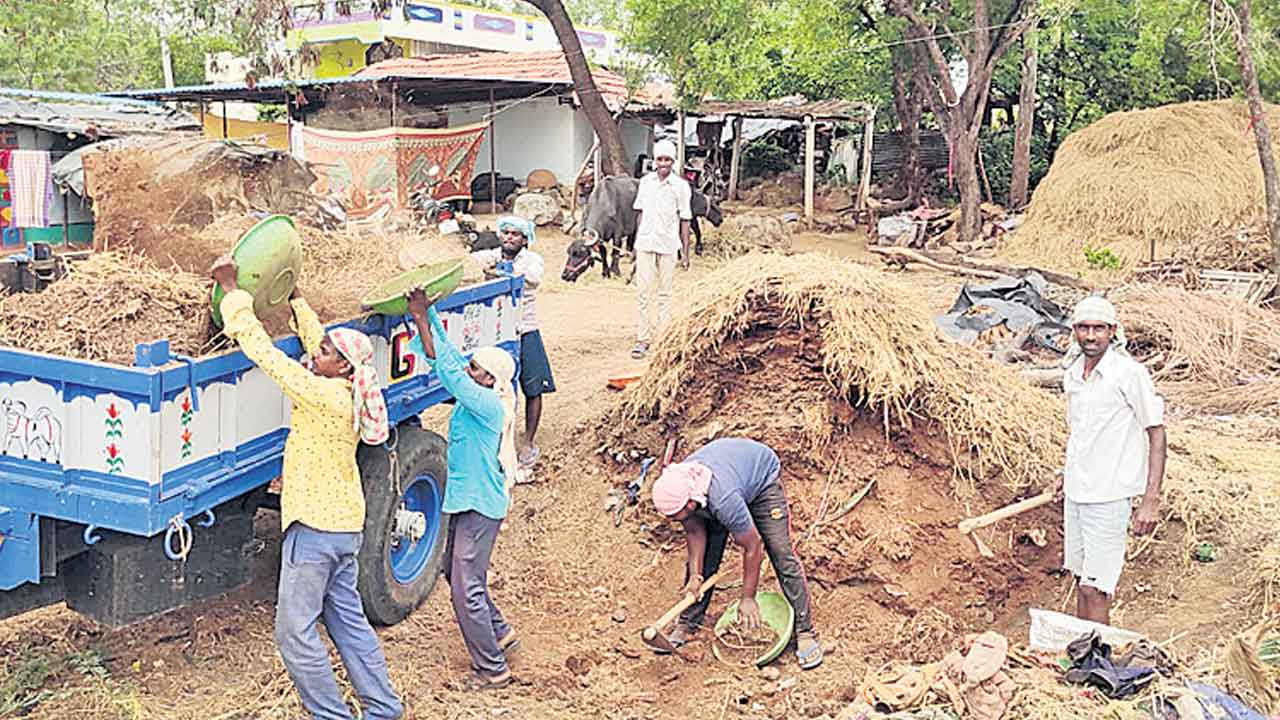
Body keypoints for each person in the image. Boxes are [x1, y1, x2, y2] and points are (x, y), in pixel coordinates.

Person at [210, 257, 403, 720]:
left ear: (340, 368)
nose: (312, 356)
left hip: (315, 529)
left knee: (294, 634)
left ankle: (331, 716)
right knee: (349, 623)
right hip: (344, 527)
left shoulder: (321, 394)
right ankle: (384, 709)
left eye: (321, 356)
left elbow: (265, 353)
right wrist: (296, 299)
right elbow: (323, 344)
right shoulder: (350, 388)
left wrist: (234, 291)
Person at [405, 287, 520, 690]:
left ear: (489, 379)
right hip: (471, 499)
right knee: (454, 572)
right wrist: (430, 314)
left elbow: (451, 372)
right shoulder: (488, 392)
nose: (470, 371)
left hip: (481, 505)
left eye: (477, 369)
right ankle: (500, 630)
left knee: (466, 588)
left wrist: (420, 319)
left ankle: (493, 669)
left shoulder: (486, 405)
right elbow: (453, 359)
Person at [650, 437, 822, 670]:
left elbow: (752, 546)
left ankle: (805, 631)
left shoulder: (723, 500)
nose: (675, 521)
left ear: (691, 502)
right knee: (707, 556)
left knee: (780, 552)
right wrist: (695, 577)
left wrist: (748, 598)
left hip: (761, 479)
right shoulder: (681, 488)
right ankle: (688, 623)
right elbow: (694, 532)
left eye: (678, 515)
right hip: (728, 480)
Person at [1055, 295, 1166, 626]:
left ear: (1112, 332)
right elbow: (1081, 433)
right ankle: (1081, 655)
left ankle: (1098, 664)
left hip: (1109, 495)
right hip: (1077, 492)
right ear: (1074, 330)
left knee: (1096, 588)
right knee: (1079, 578)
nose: (1090, 336)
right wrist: (1065, 475)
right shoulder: (1073, 374)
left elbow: (1157, 434)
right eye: (1084, 328)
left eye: (1098, 329)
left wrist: (1151, 499)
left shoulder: (1128, 374)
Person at [471, 216, 553, 468]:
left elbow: (534, 278)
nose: (508, 237)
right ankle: (494, 439)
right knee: (493, 387)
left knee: (533, 387)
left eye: (515, 234)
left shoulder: (531, 260)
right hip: (495, 333)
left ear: (525, 239)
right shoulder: (492, 255)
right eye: (505, 232)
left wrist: (503, 273)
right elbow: (470, 262)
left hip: (524, 330)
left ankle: (528, 441)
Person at [631, 139, 692, 360]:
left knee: (665, 293)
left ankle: (664, 338)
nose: (663, 163)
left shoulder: (681, 186)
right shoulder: (646, 183)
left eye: (667, 159)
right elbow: (639, 212)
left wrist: (685, 253)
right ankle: (643, 339)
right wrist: (635, 244)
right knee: (643, 292)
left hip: (668, 244)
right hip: (645, 243)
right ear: (654, 161)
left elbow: (685, 219)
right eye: (659, 159)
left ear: (673, 162)